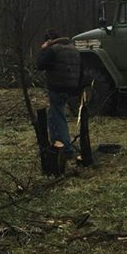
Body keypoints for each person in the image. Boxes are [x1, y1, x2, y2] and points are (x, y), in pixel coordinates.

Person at [35, 28, 82, 159]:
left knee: (57, 116)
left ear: (49, 40)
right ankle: (57, 143)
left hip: (57, 87)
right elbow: (81, 69)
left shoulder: (53, 49)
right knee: (54, 114)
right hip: (72, 87)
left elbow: (39, 64)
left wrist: (44, 49)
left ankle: (65, 149)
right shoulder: (73, 49)